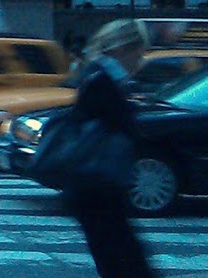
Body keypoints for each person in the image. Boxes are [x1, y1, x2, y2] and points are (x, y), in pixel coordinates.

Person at [64, 19, 153, 278]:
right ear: (124, 47)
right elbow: (119, 127)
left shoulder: (97, 75)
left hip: (94, 187)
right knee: (125, 263)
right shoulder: (102, 80)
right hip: (96, 187)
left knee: (118, 261)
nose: (142, 58)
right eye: (140, 51)